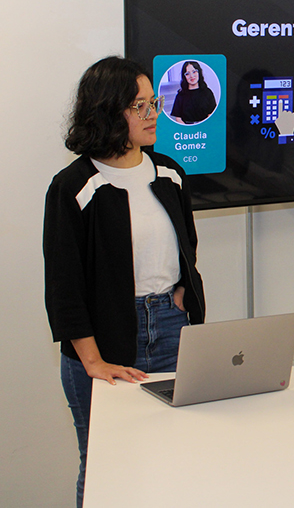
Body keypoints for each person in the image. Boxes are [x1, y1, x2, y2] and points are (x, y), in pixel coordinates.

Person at [43, 56, 206, 507]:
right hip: (104, 339)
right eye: (140, 106)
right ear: (108, 112)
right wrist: (92, 362)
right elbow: (63, 287)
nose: (153, 113)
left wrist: (178, 291)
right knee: (105, 465)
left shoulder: (169, 172)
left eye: (154, 102)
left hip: (171, 328)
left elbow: (186, 245)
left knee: (175, 454)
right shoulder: (74, 186)